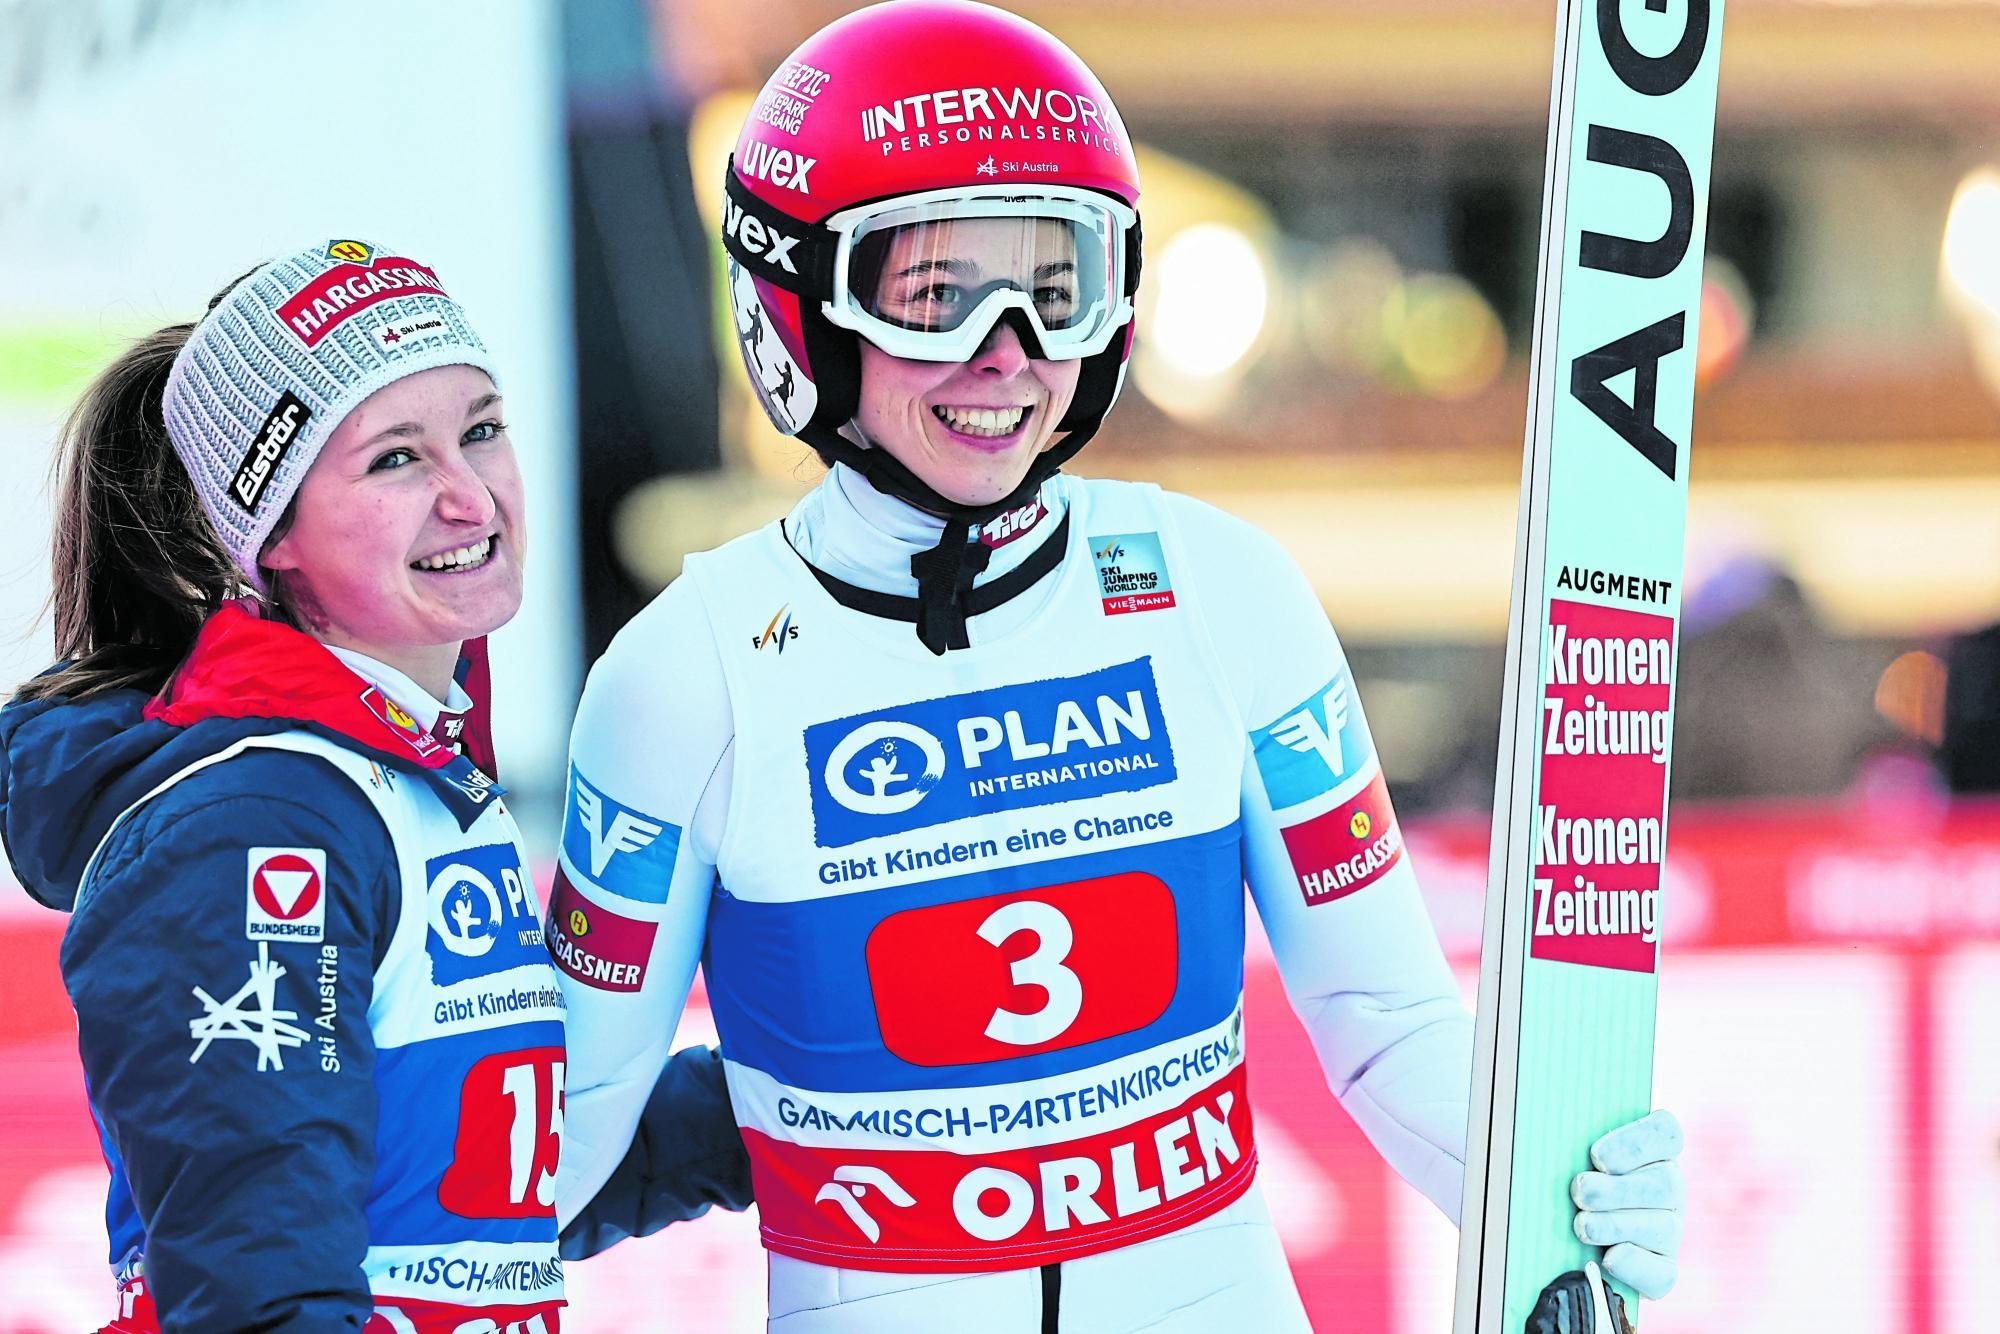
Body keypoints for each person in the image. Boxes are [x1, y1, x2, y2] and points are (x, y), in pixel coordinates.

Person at [553, 3, 1685, 1329]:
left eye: (1055, 287)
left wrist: (1554, 1195)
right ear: (796, 305)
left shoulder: (1222, 589)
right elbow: (557, 1131)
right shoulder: (683, 677)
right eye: (929, 295)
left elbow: (1381, 1012)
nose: (1006, 354)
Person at [0, 238, 747, 1333]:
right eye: (395, 459)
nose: (468, 495)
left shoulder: (407, 774)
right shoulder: (258, 825)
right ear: (269, 536)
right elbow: (260, 1289)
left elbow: (486, 1187)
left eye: (482, 430)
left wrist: (814, 1091)